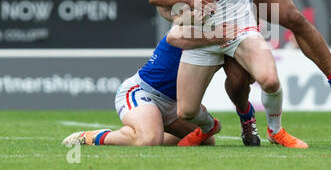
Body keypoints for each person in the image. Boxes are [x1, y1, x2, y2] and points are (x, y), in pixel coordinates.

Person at [165, 0, 308, 148]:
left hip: (239, 27)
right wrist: (189, 9)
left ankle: (275, 131)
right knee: (186, 112)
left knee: (270, 80)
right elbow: (166, 8)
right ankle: (210, 126)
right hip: (204, 34)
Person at [62, 22, 238, 147]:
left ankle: (147, 130)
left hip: (175, 105)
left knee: (206, 141)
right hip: (142, 92)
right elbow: (174, 33)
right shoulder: (191, 26)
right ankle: (95, 137)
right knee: (148, 140)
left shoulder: (228, 39)